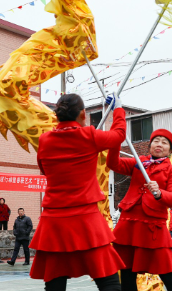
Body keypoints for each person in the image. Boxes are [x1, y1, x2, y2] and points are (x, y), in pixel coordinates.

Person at [30, 93, 125, 291]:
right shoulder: (89, 135)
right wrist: (118, 110)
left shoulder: (45, 140)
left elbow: (43, 169)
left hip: (54, 221)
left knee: (55, 284)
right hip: (86, 220)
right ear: (83, 113)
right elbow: (118, 135)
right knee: (109, 282)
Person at [106, 127, 172, 291]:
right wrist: (116, 141)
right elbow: (113, 163)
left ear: (170, 150)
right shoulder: (139, 161)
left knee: (167, 271)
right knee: (127, 271)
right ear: (150, 146)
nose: (159, 145)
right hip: (128, 222)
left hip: (152, 225)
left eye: (164, 143)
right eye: (156, 141)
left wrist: (159, 192)